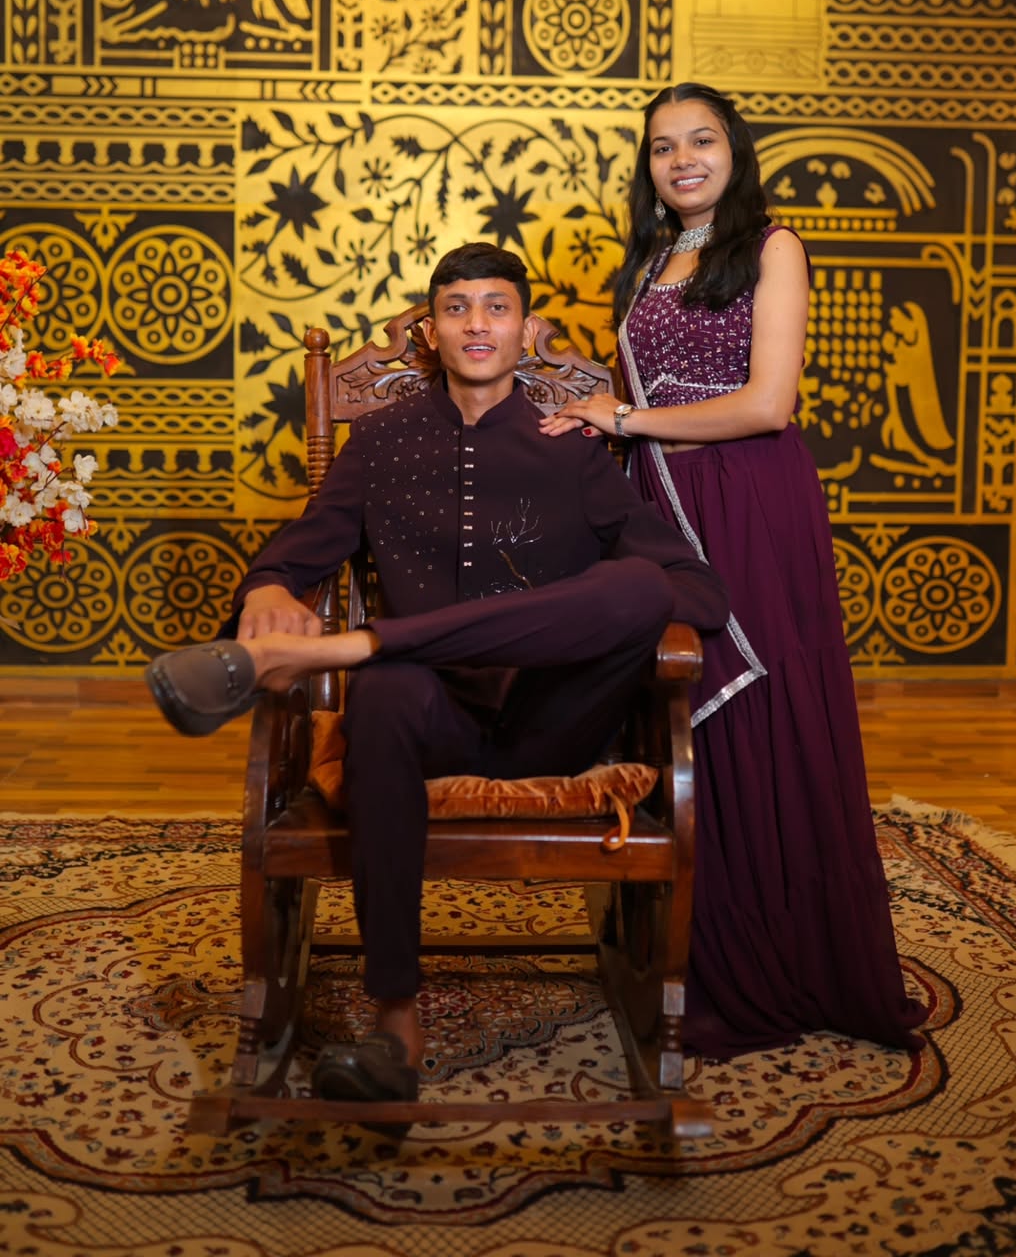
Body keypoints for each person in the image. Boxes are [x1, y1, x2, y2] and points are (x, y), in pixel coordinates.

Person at [145, 240, 730, 1108]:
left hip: (555, 718)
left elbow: (696, 590)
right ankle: (396, 1024)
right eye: (457, 308)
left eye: (497, 307)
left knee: (640, 588)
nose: (477, 324)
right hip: (427, 718)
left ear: (525, 329)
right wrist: (268, 585)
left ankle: (355, 646)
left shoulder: (571, 450)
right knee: (384, 693)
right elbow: (304, 546)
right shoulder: (380, 443)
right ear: (430, 332)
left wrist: (366, 639)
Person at [540, 85, 927, 1059]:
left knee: (753, 709)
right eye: (663, 147)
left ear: (735, 151)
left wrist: (625, 419)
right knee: (677, 711)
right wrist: (576, 394)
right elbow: (637, 396)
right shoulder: (649, 260)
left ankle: (779, 960)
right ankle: (685, 948)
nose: (682, 161)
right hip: (662, 498)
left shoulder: (771, 247)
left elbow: (766, 405)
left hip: (749, 501)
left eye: (701, 141)